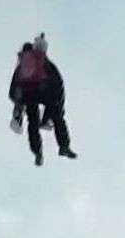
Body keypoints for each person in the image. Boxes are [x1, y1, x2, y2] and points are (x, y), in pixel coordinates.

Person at [8, 33, 77, 166]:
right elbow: (58, 85)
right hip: (46, 92)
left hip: (29, 95)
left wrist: (18, 109)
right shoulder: (46, 63)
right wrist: (52, 113)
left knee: (32, 124)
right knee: (58, 119)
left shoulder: (21, 66)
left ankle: (37, 152)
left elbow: (14, 89)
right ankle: (64, 146)